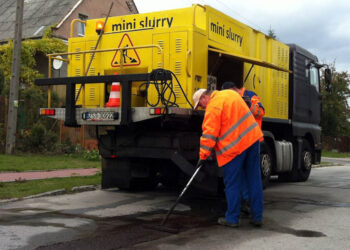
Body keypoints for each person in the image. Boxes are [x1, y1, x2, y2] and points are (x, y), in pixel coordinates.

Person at [193, 88, 264, 227]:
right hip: (252, 140)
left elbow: (209, 134)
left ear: (204, 98)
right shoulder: (231, 94)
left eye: (200, 105)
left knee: (232, 184)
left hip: (234, 149)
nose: (202, 108)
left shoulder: (213, 106)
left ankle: (232, 219)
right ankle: (257, 217)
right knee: (255, 180)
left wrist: (203, 155)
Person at [221, 81, 265, 215]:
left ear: (233, 89)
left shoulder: (250, 96)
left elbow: (261, 111)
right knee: (245, 175)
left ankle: (248, 205)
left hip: (252, 139)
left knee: (250, 175)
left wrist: (248, 105)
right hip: (240, 141)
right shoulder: (232, 100)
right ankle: (248, 205)